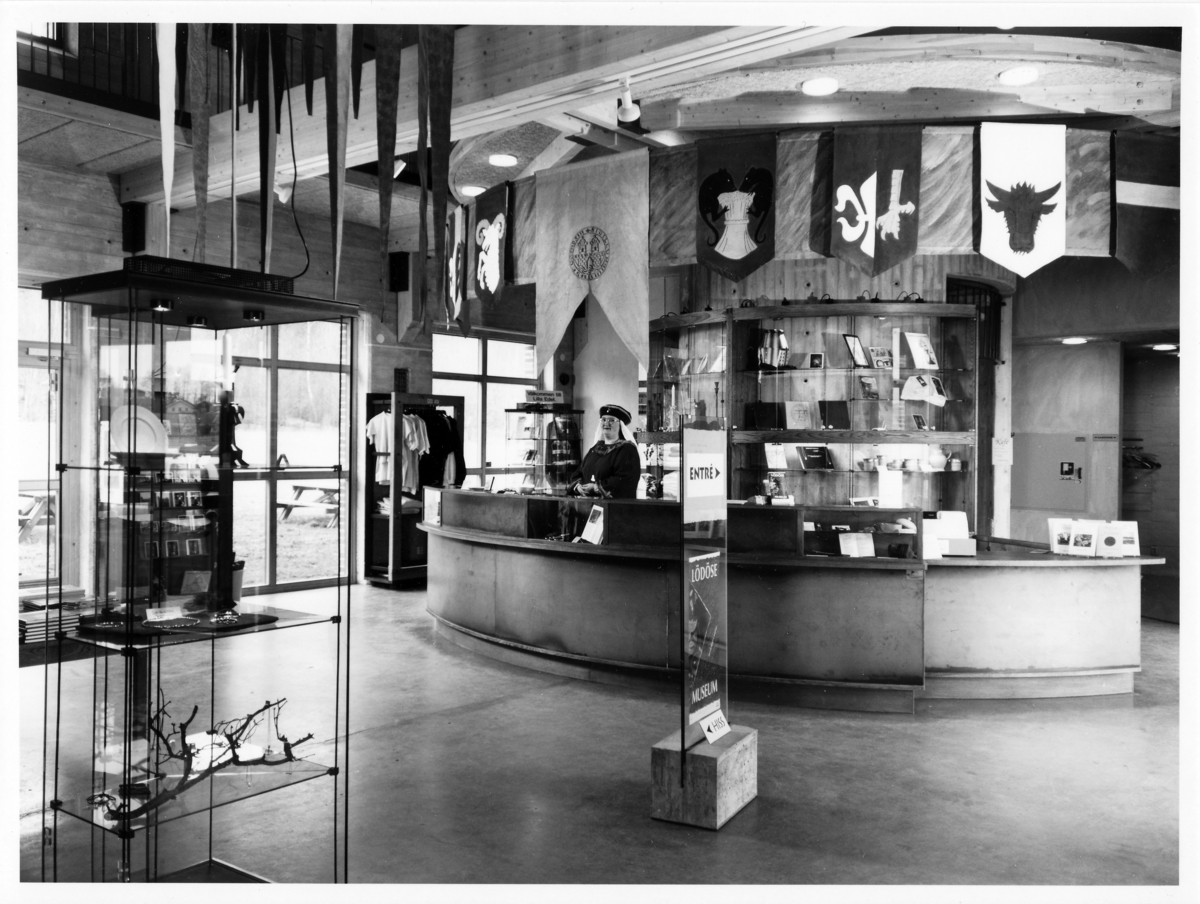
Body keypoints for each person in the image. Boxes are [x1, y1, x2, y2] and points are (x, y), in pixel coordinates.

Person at [567, 404, 641, 499]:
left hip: (612, 506)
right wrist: (578, 486)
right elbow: (578, 473)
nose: (606, 423)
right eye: (603, 419)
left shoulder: (627, 449)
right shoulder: (595, 448)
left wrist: (596, 488)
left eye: (611, 420)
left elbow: (625, 481)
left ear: (620, 425)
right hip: (587, 505)